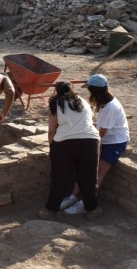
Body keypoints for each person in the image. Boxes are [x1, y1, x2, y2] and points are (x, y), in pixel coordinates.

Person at [60, 74, 130, 214]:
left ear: (95, 90)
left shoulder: (110, 107)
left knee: (97, 171)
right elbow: (100, 127)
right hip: (105, 138)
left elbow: (101, 133)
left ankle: (85, 202)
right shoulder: (104, 103)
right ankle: (73, 197)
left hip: (115, 142)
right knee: (85, 168)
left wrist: (90, 150)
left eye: (90, 90)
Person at [39, 81, 101, 220]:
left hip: (65, 143)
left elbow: (51, 130)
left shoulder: (57, 103)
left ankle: (50, 210)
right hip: (90, 141)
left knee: (59, 178)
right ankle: (92, 209)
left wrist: (52, 147)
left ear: (57, 91)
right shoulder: (83, 102)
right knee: (89, 178)